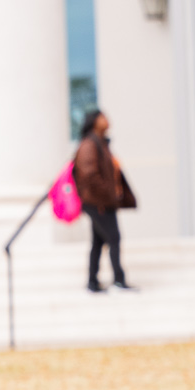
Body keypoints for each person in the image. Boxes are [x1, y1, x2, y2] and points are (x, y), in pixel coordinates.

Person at [74, 108, 137, 293]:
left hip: (102, 202)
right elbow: (89, 175)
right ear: (94, 121)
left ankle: (92, 282)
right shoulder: (89, 145)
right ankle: (118, 280)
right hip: (98, 203)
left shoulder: (100, 144)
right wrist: (107, 195)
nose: (107, 119)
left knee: (98, 242)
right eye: (103, 117)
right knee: (114, 238)